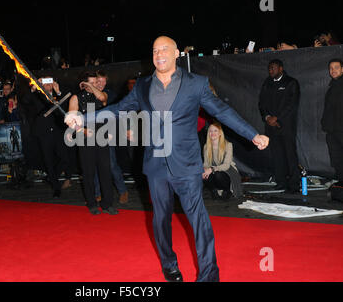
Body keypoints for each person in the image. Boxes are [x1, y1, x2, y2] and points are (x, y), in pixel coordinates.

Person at [65, 36, 269, 282]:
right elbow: (117, 110)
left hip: (186, 165)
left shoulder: (196, 84)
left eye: (164, 49)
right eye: (154, 50)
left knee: (198, 220)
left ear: (176, 54)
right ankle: (169, 264)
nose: (159, 54)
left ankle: (209, 275)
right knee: (161, 221)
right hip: (156, 165)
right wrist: (82, 118)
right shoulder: (141, 86)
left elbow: (221, 111)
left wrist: (252, 134)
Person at [67, 71, 117, 215]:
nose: (97, 85)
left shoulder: (102, 95)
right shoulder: (75, 98)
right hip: (85, 139)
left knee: (105, 171)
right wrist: (82, 130)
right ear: (84, 84)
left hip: (102, 138)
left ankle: (107, 203)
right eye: (93, 83)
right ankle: (92, 203)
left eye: (96, 82)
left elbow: (102, 98)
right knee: (88, 172)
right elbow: (70, 121)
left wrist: (92, 86)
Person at [258, 59, 301, 193]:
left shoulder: (291, 82)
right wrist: (267, 117)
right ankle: (281, 182)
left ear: (281, 69)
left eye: (273, 68)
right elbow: (261, 103)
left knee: (290, 155)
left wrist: (278, 118)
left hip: (286, 126)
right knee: (277, 156)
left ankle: (294, 184)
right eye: (269, 68)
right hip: (271, 127)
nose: (271, 70)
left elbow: (292, 104)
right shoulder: (267, 83)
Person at [28, 76, 72, 198]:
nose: (47, 85)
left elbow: (65, 109)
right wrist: (34, 87)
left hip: (58, 131)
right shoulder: (38, 96)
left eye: (49, 82)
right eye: (45, 83)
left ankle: (52, 177)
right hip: (44, 133)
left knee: (65, 158)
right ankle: (56, 187)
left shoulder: (58, 95)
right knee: (48, 160)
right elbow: (27, 101)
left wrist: (58, 92)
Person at [94, 70, 129, 204]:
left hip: (108, 134)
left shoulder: (109, 93)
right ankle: (97, 193)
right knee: (95, 165)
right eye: (99, 81)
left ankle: (123, 191)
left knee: (112, 164)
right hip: (92, 134)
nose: (101, 84)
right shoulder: (89, 95)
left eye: (104, 81)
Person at [202, 122, 243, 199]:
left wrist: (212, 169)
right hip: (213, 170)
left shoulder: (228, 145)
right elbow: (206, 164)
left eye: (215, 131)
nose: (212, 133)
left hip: (228, 170)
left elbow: (226, 165)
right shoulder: (206, 146)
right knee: (203, 174)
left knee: (218, 175)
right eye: (210, 131)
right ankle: (214, 191)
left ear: (220, 133)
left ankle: (227, 190)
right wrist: (204, 170)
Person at [321, 58, 343, 185]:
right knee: (337, 159)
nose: (333, 70)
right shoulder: (332, 86)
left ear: (342, 69)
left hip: (341, 129)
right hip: (332, 131)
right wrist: (325, 124)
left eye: (336, 67)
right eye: (331, 68)